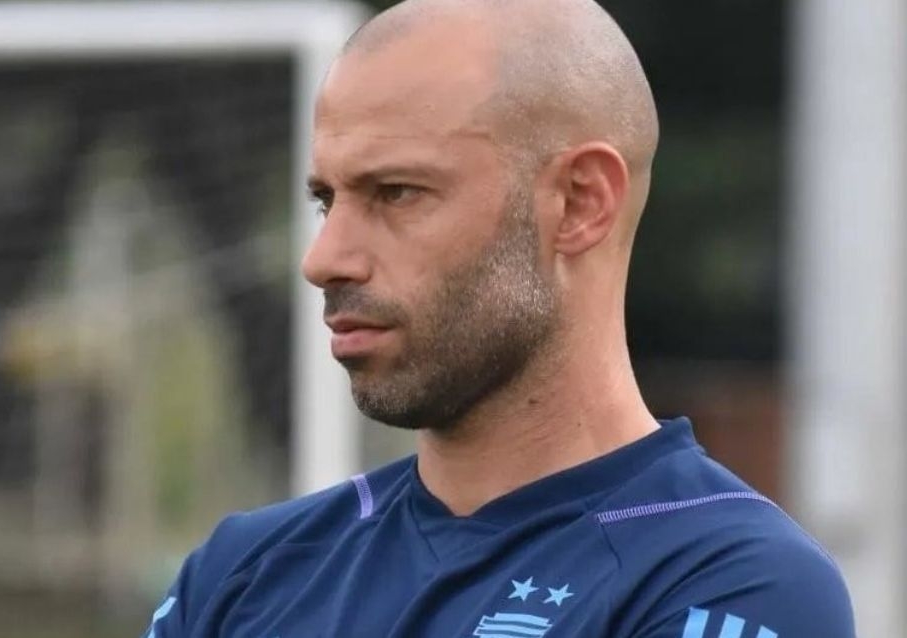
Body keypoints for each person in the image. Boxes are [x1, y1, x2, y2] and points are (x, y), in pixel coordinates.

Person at [144, 0, 855, 636]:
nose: (324, 259)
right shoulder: (242, 576)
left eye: (396, 193)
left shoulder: (729, 580)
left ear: (579, 203)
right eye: (328, 201)